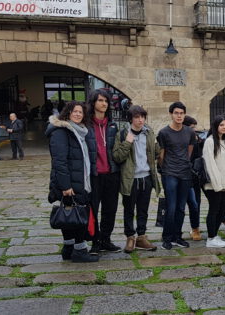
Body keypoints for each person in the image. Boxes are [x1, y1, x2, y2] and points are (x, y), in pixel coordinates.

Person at [46, 102, 98, 263]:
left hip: (81, 178)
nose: (77, 114)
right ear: (67, 113)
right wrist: (65, 185)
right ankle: (80, 250)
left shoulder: (82, 131)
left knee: (70, 214)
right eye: (74, 111)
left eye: (80, 112)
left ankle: (68, 248)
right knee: (78, 215)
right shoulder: (61, 131)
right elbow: (59, 161)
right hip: (70, 182)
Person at [113, 105, 160, 253]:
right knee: (129, 209)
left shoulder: (149, 133)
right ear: (131, 119)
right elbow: (117, 157)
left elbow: (156, 153)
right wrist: (128, 142)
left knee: (143, 210)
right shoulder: (122, 134)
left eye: (142, 117)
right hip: (130, 179)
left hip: (146, 177)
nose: (140, 120)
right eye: (137, 117)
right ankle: (130, 237)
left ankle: (141, 237)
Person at [157, 102, 196, 250]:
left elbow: (189, 151)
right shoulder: (164, 133)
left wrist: (184, 163)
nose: (179, 116)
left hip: (185, 173)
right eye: (176, 113)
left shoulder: (190, 132)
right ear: (171, 114)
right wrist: (166, 169)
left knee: (181, 207)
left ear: (184, 114)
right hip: (170, 173)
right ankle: (167, 237)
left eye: (181, 113)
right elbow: (161, 155)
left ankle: (177, 236)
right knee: (171, 206)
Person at [86, 90, 121, 254]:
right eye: (100, 100)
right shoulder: (86, 126)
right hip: (94, 175)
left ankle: (106, 239)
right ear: (93, 103)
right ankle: (95, 241)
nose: (104, 104)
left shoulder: (113, 126)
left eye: (106, 101)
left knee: (110, 209)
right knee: (93, 208)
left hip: (111, 173)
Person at [203, 115, 225, 248]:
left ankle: (215, 235)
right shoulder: (210, 142)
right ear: (215, 126)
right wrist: (218, 184)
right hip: (214, 185)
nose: (224, 127)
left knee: (223, 209)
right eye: (221, 125)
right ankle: (210, 238)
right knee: (214, 209)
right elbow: (210, 164)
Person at [183, 116, 203, 241]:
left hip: (194, 177)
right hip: (181, 175)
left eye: (194, 127)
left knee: (195, 204)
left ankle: (195, 228)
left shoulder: (197, 140)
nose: (194, 130)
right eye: (191, 127)